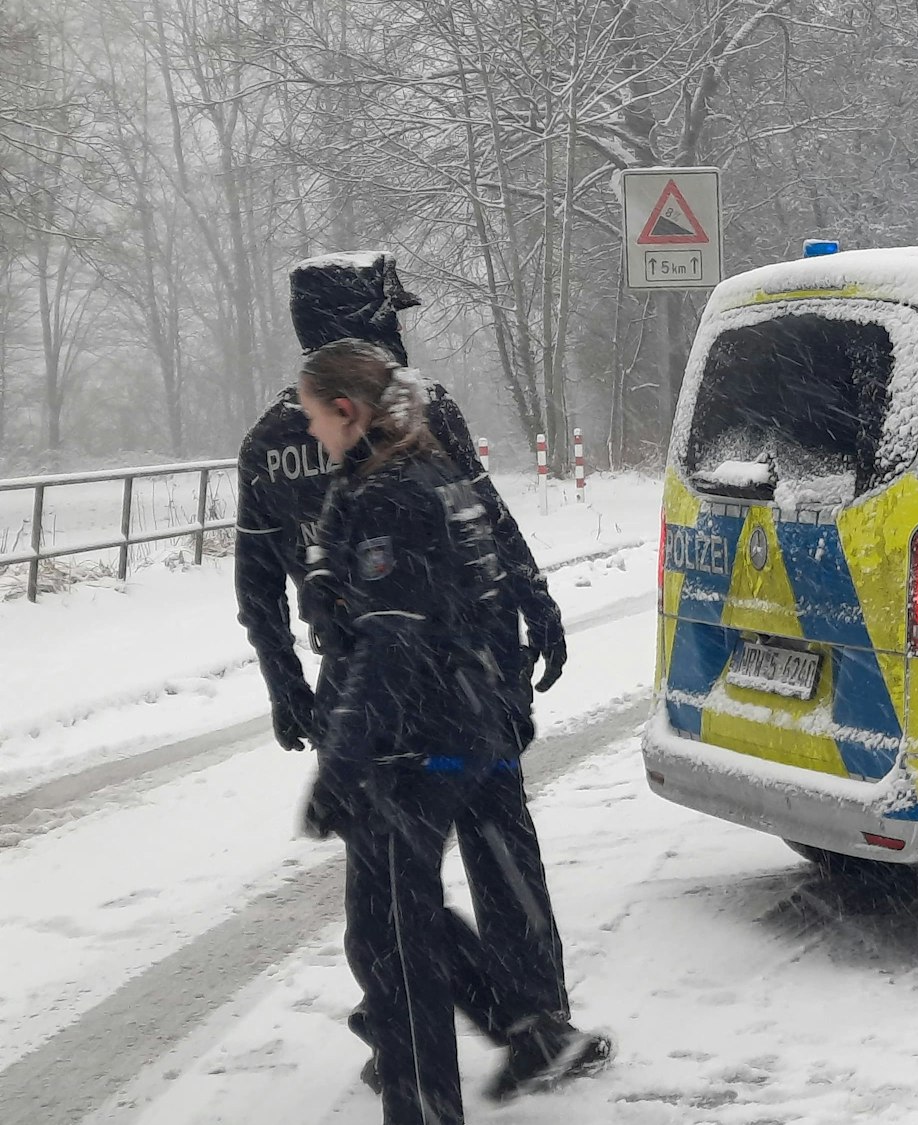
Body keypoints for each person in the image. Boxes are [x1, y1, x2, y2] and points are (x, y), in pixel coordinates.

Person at [233, 253, 606, 1104]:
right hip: (451, 678)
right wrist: (532, 601)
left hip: (369, 686)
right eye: (390, 313)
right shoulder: (414, 410)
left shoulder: (270, 439)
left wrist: (286, 681)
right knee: (486, 855)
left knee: (390, 886)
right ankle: (512, 1019)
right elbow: (484, 513)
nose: (402, 328)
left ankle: (415, 1017)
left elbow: (256, 584)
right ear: (367, 320)